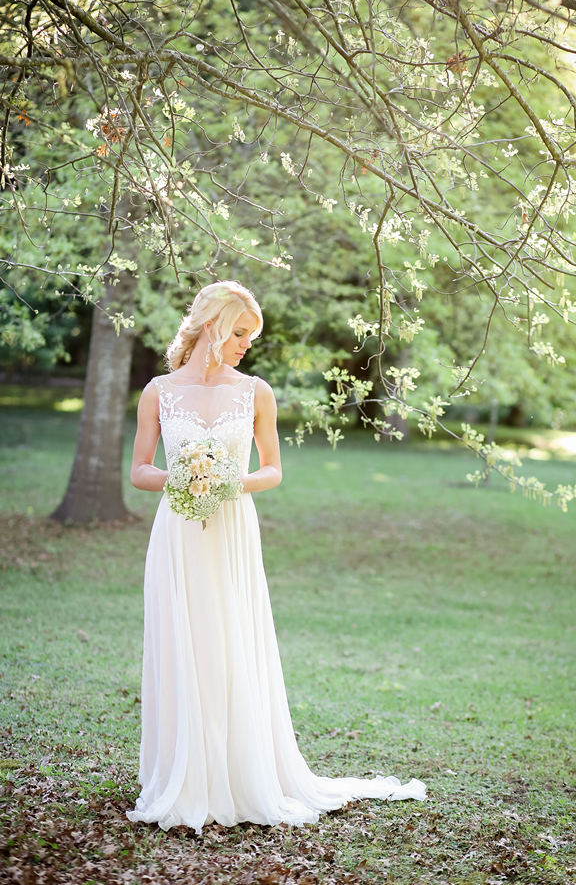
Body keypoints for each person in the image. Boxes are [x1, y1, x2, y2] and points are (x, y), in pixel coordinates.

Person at [126, 280, 426, 833]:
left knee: (232, 641)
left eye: (250, 336)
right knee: (186, 641)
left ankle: (240, 773)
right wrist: (182, 478)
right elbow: (140, 468)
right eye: (239, 333)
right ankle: (187, 774)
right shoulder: (158, 392)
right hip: (180, 532)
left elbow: (273, 470)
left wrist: (227, 482)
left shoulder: (256, 391)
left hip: (234, 528)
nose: (245, 345)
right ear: (212, 324)